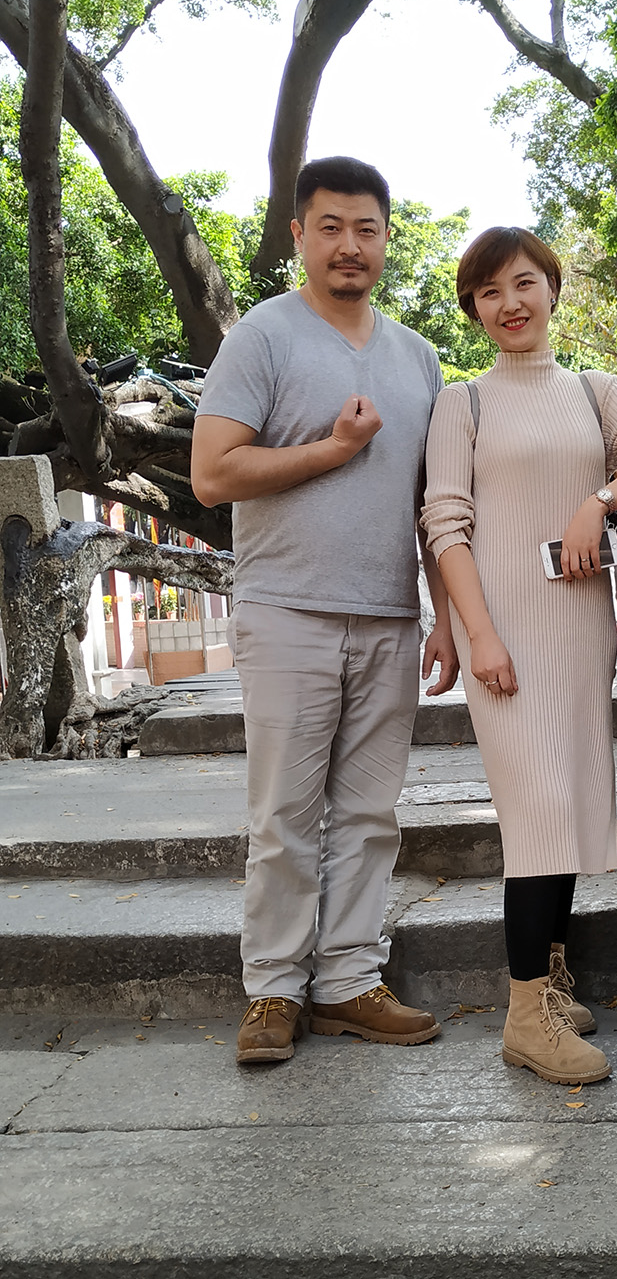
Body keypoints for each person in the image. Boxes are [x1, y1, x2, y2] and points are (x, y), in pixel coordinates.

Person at [191, 155, 458, 1065]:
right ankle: (273, 989)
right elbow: (212, 473)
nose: (350, 245)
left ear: (386, 239)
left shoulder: (417, 356)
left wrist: (445, 614)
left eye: (367, 229)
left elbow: (431, 501)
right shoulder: (261, 338)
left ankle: (348, 980)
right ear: (299, 235)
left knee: (370, 815)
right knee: (284, 815)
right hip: (287, 611)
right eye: (331, 227)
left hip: (389, 616)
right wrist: (332, 450)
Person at [421, 227, 617, 1086]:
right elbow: (445, 524)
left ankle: (550, 981)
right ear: (473, 309)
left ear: (552, 287)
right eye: (489, 291)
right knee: (538, 811)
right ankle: (524, 1017)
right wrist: (478, 634)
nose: (510, 303)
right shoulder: (462, 403)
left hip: (580, 629)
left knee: (568, 807)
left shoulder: (591, 390)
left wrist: (599, 500)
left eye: (524, 283)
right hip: (503, 630)